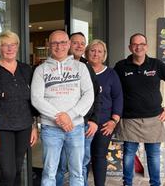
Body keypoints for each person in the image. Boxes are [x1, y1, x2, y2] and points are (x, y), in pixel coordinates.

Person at [114, 33, 165, 186]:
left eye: (141, 44)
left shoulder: (156, 64)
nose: (138, 47)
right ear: (130, 47)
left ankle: (155, 184)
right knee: (129, 154)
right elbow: (113, 90)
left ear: (146, 46)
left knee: (153, 155)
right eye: (134, 44)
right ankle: (127, 184)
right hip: (129, 118)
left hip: (153, 118)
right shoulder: (121, 66)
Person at [31, 30, 94, 186]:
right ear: (49, 45)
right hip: (50, 129)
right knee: (49, 173)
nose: (59, 46)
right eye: (54, 43)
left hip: (76, 127)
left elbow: (89, 95)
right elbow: (36, 99)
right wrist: (60, 117)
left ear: (68, 44)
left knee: (77, 173)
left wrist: (70, 116)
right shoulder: (40, 70)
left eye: (63, 42)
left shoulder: (81, 67)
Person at [0, 30, 39, 186]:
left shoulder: (26, 70)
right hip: (2, 128)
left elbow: (32, 101)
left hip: (24, 127)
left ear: (17, 47)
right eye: (5, 45)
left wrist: (34, 126)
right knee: (8, 172)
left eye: (12, 44)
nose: (9, 48)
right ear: (0, 48)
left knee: (18, 169)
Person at [56, 32, 100, 186]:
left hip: (84, 124)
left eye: (82, 43)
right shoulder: (57, 66)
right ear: (68, 44)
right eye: (75, 42)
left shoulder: (87, 67)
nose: (79, 46)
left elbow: (96, 96)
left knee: (81, 164)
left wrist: (94, 120)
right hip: (61, 124)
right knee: (60, 165)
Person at [86, 39, 123, 186]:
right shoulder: (81, 70)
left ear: (104, 55)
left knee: (99, 156)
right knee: (82, 157)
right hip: (83, 122)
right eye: (92, 50)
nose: (95, 54)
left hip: (104, 124)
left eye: (99, 51)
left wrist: (114, 121)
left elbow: (118, 97)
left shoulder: (111, 74)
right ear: (87, 53)